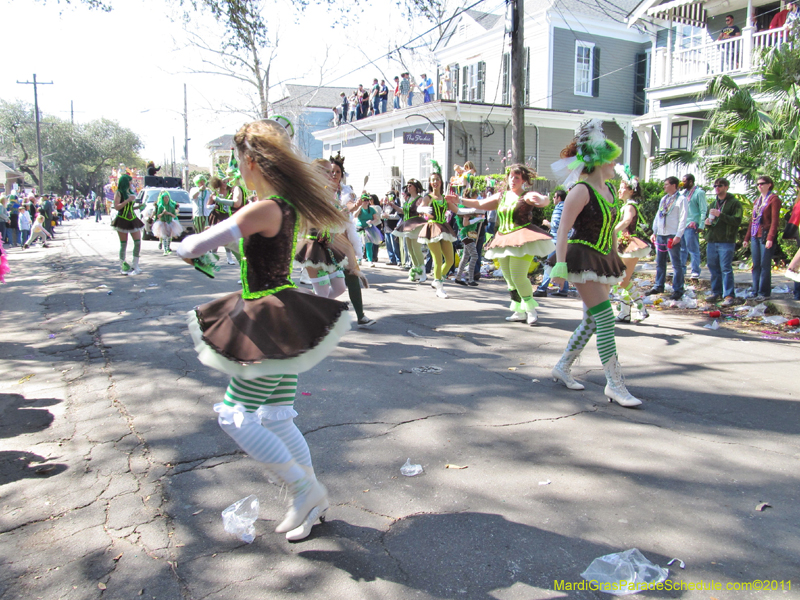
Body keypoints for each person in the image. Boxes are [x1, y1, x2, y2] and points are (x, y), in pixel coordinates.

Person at [176, 119, 352, 542]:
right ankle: (310, 504)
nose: (238, 171)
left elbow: (192, 245)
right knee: (275, 418)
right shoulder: (285, 205)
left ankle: (304, 490)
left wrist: (188, 248)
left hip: (266, 319)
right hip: (282, 316)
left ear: (251, 161)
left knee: (235, 418)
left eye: (238, 164)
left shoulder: (264, 207)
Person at [548, 119, 642, 407]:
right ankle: (615, 385)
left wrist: (616, 260)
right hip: (580, 258)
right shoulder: (580, 190)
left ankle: (563, 367)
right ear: (599, 160)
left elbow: (612, 230)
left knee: (591, 320)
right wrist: (560, 267)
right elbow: (563, 231)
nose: (615, 164)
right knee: (604, 319)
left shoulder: (611, 192)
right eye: (611, 159)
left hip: (602, 258)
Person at [452, 165, 552, 324]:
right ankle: (519, 310)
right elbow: (481, 204)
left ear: (524, 180)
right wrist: (460, 200)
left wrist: (541, 200)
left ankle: (530, 309)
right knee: (509, 277)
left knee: (518, 276)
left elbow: (543, 199)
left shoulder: (526, 195)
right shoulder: (502, 196)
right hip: (503, 239)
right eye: (511, 177)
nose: (513, 180)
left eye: (517, 177)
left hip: (522, 239)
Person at [328, 153, 376, 327]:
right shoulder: (321, 191)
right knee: (324, 278)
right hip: (324, 238)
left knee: (352, 274)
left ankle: (361, 315)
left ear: (342, 175)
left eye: (338, 172)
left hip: (342, 237)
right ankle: (314, 313)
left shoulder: (346, 192)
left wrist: (355, 206)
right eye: (331, 171)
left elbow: (348, 207)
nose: (334, 175)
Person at [612, 167, 651, 323]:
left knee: (623, 280)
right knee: (622, 280)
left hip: (630, 244)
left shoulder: (629, 207)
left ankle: (641, 309)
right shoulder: (627, 205)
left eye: (622, 188)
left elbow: (627, 221)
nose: (619, 191)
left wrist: (612, 231)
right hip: (624, 243)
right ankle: (625, 313)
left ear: (631, 191)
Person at [418, 165, 460, 298]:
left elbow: (458, 211)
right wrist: (424, 210)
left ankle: (438, 279)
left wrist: (476, 210)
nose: (435, 182)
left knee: (449, 260)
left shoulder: (445, 198)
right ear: (430, 183)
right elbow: (419, 208)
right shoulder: (428, 197)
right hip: (432, 229)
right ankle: (439, 287)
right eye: (432, 180)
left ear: (441, 181)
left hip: (444, 228)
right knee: (437, 258)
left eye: (437, 179)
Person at [704, 177, 743, 307]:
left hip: (726, 240)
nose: (717, 188)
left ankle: (729, 295)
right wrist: (707, 223)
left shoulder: (734, 203)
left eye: (720, 186)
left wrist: (721, 215)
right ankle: (716, 292)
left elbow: (737, 220)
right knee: (713, 267)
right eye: (715, 186)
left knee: (725, 268)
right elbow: (708, 219)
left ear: (726, 187)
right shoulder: (713, 203)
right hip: (712, 239)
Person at [646, 177, 687, 300]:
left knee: (676, 263)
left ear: (674, 185)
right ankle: (658, 285)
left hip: (672, 234)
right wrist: (654, 232)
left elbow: (683, 218)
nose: (664, 187)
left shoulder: (681, 199)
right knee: (660, 262)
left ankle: (678, 289)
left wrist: (678, 235)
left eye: (666, 184)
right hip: (661, 235)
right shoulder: (664, 199)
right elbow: (658, 216)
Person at [743, 175, 780, 300]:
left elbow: (775, 221)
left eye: (762, 183)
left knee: (765, 264)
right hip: (755, 235)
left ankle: (764, 292)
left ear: (769, 184)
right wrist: (746, 238)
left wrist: (770, 237)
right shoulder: (757, 200)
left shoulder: (773, 199)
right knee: (756, 264)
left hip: (765, 235)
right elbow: (752, 221)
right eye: (758, 184)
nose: (760, 186)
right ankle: (755, 289)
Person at [535, 190, 570, 298]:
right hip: (567, 240)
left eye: (554, 197)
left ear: (559, 198)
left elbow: (555, 225)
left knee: (549, 264)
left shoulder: (559, 207)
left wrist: (546, 223)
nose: (553, 199)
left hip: (556, 240)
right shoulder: (568, 206)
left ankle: (542, 289)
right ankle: (564, 289)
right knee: (562, 264)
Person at [392, 179, 429, 283]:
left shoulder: (419, 199)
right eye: (408, 185)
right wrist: (393, 205)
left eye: (411, 185)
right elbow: (403, 211)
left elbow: (423, 210)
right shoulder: (408, 199)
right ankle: (416, 272)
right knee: (410, 250)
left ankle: (423, 273)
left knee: (416, 249)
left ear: (416, 187)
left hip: (416, 225)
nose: (408, 187)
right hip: (407, 225)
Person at [111, 174, 145, 275]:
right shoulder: (119, 193)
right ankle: (123, 266)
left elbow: (129, 207)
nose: (132, 183)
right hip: (122, 219)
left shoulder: (130, 192)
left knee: (138, 242)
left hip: (133, 219)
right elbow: (117, 207)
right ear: (126, 182)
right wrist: (127, 200)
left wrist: (138, 207)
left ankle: (135, 265)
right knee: (123, 244)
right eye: (130, 181)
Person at [453, 190, 485, 287]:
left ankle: (458, 277)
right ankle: (471, 279)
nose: (477, 197)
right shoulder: (465, 209)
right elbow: (465, 223)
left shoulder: (470, 207)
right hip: (466, 234)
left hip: (469, 234)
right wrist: (477, 219)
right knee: (474, 256)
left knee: (465, 257)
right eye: (475, 195)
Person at [680, 173, 707, 279]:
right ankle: (681, 270)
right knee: (681, 249)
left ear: (691, 182)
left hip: (692, 224)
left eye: (684, 181)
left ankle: (695, 270)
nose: (682, 183)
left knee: (692, 248)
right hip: (682, 224)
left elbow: (703, 209)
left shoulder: (699, 193)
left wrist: (702, 224)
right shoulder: (683, 193)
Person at [152, 190, 183, 255]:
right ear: (162, 198)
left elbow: (174, 215)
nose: (167, 199)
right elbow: (158, 216)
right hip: (163, 222)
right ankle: (165, 249)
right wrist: (163, 213)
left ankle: (168, 248)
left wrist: (169, 213)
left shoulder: (171, 206)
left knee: (169, 236)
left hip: (170, 222)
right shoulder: (160, 206)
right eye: (165, 197)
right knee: (164, 236)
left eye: (167, 197)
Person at [356, 193, 382, 266]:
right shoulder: (360, 209)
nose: (366, 201)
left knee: (369, 245)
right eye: (364, 200)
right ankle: (359, 259)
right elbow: (355, 215)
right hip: (360, 228)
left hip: (369, 228)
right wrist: (359, 207)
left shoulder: (371, 209)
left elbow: (376, 219)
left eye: (367, 200)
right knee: (360, 245)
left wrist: (371, 222)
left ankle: (370, 261)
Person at [380, 190, 402, 265]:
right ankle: (392, 259)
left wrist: (389, 216)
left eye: (388, 195)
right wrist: (383, 216)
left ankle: (398, 260)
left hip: (393, 228)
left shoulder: (396, 205)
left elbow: (398, 216)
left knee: (395, 246)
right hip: (386, 228)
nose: (387, 197)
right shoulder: (385, 206)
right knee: (389, 246)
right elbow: (381, 214)